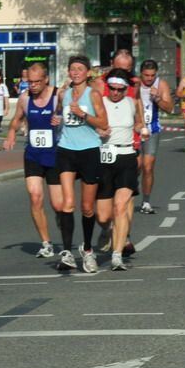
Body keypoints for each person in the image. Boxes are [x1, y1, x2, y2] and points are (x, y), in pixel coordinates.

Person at [53, 55, 108, 273]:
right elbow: (59, 114)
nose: (75, 73)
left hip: (89, 151)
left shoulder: (93, 94)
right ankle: (67, 252)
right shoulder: (64, 94)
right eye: (72, 69)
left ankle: (87, 250)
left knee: (87, 207)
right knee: (67, 203)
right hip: (66, 149)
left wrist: (83, 114)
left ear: (87, 73)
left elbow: (103, 122)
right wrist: (57, 120)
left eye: (79, 69)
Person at [3, 62, 63, 259]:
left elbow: (70, 114)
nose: (33, 86)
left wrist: (61, 118)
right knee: (35, 197)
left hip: (55, 156)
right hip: (33, 155)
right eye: (30, 82)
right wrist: (11, 133)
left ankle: (65, 236)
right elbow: (17, 119)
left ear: (46, 79)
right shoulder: (24, 98)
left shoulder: (58, 95)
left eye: (37, 82)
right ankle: (46, 243)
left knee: (59, 205)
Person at [95, 69, 145, 271]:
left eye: (120, 89)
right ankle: (108, 231)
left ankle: (117, 255)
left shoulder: (133, 103)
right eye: (112, 89)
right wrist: (99, 130)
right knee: (104, 216)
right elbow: (91, 124)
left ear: (126, 89)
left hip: (126, 158)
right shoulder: (100, 103)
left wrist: (142, 129)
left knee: (121, 206)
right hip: (104, 158)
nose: (115, 93)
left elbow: (139, 122)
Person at [137, 59, 173, 214]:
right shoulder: (135, 84)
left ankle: (146, 202)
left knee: (148, 166)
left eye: (152, 75)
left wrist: (157, 98)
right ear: (141, 74)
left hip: (152, 129)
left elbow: (170, 108)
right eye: (146, 75)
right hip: (135, 129)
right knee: (135, 166)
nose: (149, 78)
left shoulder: (161, 85)